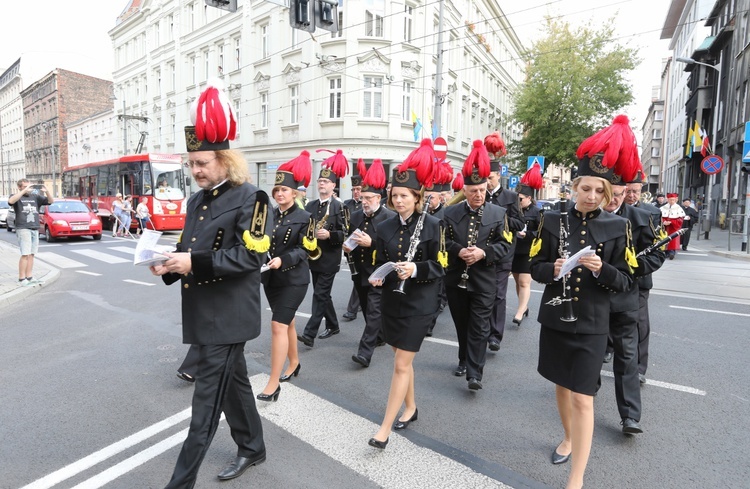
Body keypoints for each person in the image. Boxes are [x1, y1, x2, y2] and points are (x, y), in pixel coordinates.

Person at [149, 80, 269, 487]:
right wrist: (168, 264)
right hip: (204, 311)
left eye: (202, 163)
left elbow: (252, 256)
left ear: (225, 160)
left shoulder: (252, 198)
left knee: (204, 407)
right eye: (192, 163)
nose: (195, 170)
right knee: (234, 385)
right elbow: (188, 248)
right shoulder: (197, 201)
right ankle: (253, 446)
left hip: (229, 315)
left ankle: (179, 484)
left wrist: (191, 261)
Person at [529, 115, 636, 489]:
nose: (591, 196)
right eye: (585, 188)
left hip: (592, 323)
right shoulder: (551, 220)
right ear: (574, 187)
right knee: (560, 386)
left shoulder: (617, 227)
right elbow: (533, 266)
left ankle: (576, 479)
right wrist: (552, 268)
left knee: (584, 398)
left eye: (598, 191)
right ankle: (569, 437)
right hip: (556, 319)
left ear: (608, 195)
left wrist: (601, 269)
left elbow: (626, 281)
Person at [367, 139, 446, 449]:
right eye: (394, 195)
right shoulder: (385, 227)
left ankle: (384, 428)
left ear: (417, 197)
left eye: (404, 196)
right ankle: (411, 408)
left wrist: (416, 270)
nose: (398, 201)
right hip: (392, 301)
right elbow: (377, 262)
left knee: (401, 364)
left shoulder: (433, 225)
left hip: (420, 303)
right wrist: (377, 277)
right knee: (401, 359)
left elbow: (442, 266)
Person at [442, 140, 512, 390]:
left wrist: (484, 253)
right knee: (462, 323)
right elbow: (444, 241)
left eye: (482, 190)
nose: (479, 195)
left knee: (480, 326)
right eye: (474, 191)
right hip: (455, 277)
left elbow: (505, 245)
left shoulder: (497, 212)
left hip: (484, 279)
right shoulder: (450, 212)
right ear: (465, 190)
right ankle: (463, 359)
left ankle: (475, 373)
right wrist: (458, 250)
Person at [602, 176, 665, 436]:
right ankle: (587, 390)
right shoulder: (587, 218)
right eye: (611, 193)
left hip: (626, 295)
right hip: (593, 297)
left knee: (627, 356)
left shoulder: (641, 218)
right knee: (593, 350)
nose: (615, 198)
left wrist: (633, 267)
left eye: (620, 193)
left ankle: (630, 416)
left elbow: (657, 253)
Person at [257, 151, 315, 401]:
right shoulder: (268, 215)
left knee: (278, 324)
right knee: (288, 322)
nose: (280, 194)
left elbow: (306, 250)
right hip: (271, 279)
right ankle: (294, 362)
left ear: (295, 192)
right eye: (277, 190)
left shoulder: (305, 218)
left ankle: (273, 383)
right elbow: (259, 242)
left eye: (284, 190)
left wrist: (284, 259)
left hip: (294, 279)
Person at [298, 150, 348, 347]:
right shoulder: (310, 206)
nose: (321, 184)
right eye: (319, 181)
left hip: (330, 257)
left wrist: (330, 235)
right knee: (323, 293)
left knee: (319, 294)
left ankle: (309, 333)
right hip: (314, 256)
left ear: (333, 185)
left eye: (326, 182)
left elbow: (347, 233)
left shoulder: (339, 207)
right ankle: (334, 325)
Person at [348, 159, 395, 368]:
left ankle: (364, 352)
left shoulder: (389, 217)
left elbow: (393, 248)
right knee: (367, 309)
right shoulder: (356, 215)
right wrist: (347, 245)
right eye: (362, 197)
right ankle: (381, 335)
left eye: (368, 198)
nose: (364, 201)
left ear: (378, 197)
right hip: (359, 270)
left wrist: (371, 243)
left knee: (374, 309)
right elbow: (350, 237)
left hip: (379, 272)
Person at [483, 132, 524, 352]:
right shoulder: (480, 196)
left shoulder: (510, 197)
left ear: (499, 175)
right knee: (482, 293)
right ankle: (482, 330)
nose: (488, 182)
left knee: (498, 294)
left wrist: (500, 217)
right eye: (485, 178)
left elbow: (520, 223)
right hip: (482, 251)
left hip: (503, 252)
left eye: (491, 178)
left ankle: (495, 335)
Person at [623, 173, 664, 382]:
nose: (630, 195)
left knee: (639, 323)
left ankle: (639, 367)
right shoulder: (612, 210)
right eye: (627, 191)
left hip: (638, 278)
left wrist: (638, 266)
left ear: (642, 191)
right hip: (612, 277)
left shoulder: (652, 213)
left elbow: (656, 248)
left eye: (635, 191)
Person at [512, 163, 543, 326]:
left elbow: (540, 232)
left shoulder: (537, 213)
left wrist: (527, 234)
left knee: (524, 282)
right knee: (518, 281)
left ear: (529, 198)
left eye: (521, 199)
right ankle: (523, 307)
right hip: (514, 250)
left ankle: (519, 312)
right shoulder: (515, 210)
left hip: (528, 251)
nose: (518, 201)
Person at [8, 179, 53, 286]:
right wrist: (24, 191)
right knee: (25, 254)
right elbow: (11, 201)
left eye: (30, 187)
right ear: (19, 187)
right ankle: (21, 278)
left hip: (34, 227)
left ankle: (29, 276)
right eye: (26, 187)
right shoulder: (16, 196)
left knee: (32, 254)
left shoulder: (35, 197)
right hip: (23, 228)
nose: (29, 189)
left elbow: (51, 201)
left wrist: (47, 191)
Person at [342, 169, 363, 322]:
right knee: (357, 279)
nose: (356, 192)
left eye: (358, 189)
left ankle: (352, 309)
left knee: (358, 277)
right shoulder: (346, 205)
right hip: (349, 248)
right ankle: (362, 302)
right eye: (354, 190)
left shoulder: (369, 204)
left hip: (364, 247)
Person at [661, 193, 685, 259]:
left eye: (673, 200)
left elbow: (680, 219)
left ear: (676, 200)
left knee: (673, 240)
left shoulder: (678, 208)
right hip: (665, 227)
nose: (672, 201)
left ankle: (672, 252)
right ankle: (666, 252)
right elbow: (659, 217)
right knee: (664, 239)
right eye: (670, 200)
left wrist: (671, 222)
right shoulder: (663, 207)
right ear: (668, 200)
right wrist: (664, 222)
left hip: (673, 227)